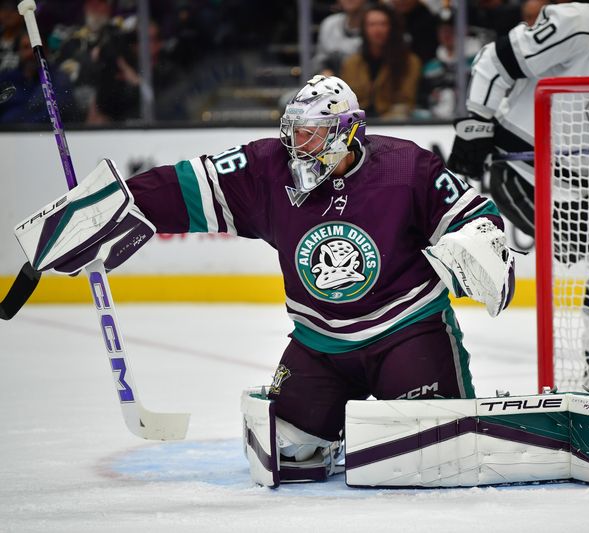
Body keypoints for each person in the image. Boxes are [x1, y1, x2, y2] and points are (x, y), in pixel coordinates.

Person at [17, 75, 515, 482]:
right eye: (292, 130)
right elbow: (185, 185)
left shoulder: (408, 166)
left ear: (347, 131)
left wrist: (477, 246)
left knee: (431, 456)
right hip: (320, 344)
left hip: (408, 332)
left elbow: (477, 218)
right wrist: (112, 205)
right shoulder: (265, 169)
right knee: (287, 454)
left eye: (311, 133)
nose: (296, 144)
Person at [447, 0, 589, 396]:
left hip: (581, 181)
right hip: (523, 170)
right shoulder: (582, 25)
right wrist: (477, 121)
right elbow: (494, 59)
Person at [340, 3, 421, 119]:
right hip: (357, 124)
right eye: (372, 25)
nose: (377, 30)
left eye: (383, 24)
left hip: (393, 125)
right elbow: (344, 102)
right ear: (364, 28)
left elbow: (405, 103)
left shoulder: (410, 62)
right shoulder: (351, 63)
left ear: (392, 27)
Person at [312, 0, 368, 76]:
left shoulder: (376, 22)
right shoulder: (329, 24)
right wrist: (324, 72)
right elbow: (320, 61)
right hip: (334, 83)